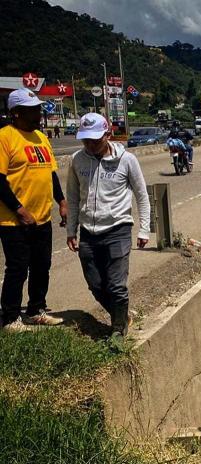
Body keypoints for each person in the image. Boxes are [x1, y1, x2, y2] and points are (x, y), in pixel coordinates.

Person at [67, 113, 150, 340]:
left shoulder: (127, 160)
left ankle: (118, 332)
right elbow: (72, 198)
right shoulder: (77, 160)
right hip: (88, 232)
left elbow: (142, 196)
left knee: (116, 285)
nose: (90, 144)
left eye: (95, 139)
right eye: (86, 140)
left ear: (108, 134)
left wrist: (144, 229)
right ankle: (122, 315)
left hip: (118, 229)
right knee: (95, 284)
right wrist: (71, 230)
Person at [0, 89, 67, 331]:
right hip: (13, 220)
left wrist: (61, 201)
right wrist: (19, 209)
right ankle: (10, 318)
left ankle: (36, 310)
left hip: (42, 217)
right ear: (16, 113)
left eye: (38, 108)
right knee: (17, 268)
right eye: (32, 110)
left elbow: (50, 173)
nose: (38, 113)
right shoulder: (5, 137)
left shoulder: (41, 137)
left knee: (41, 266)